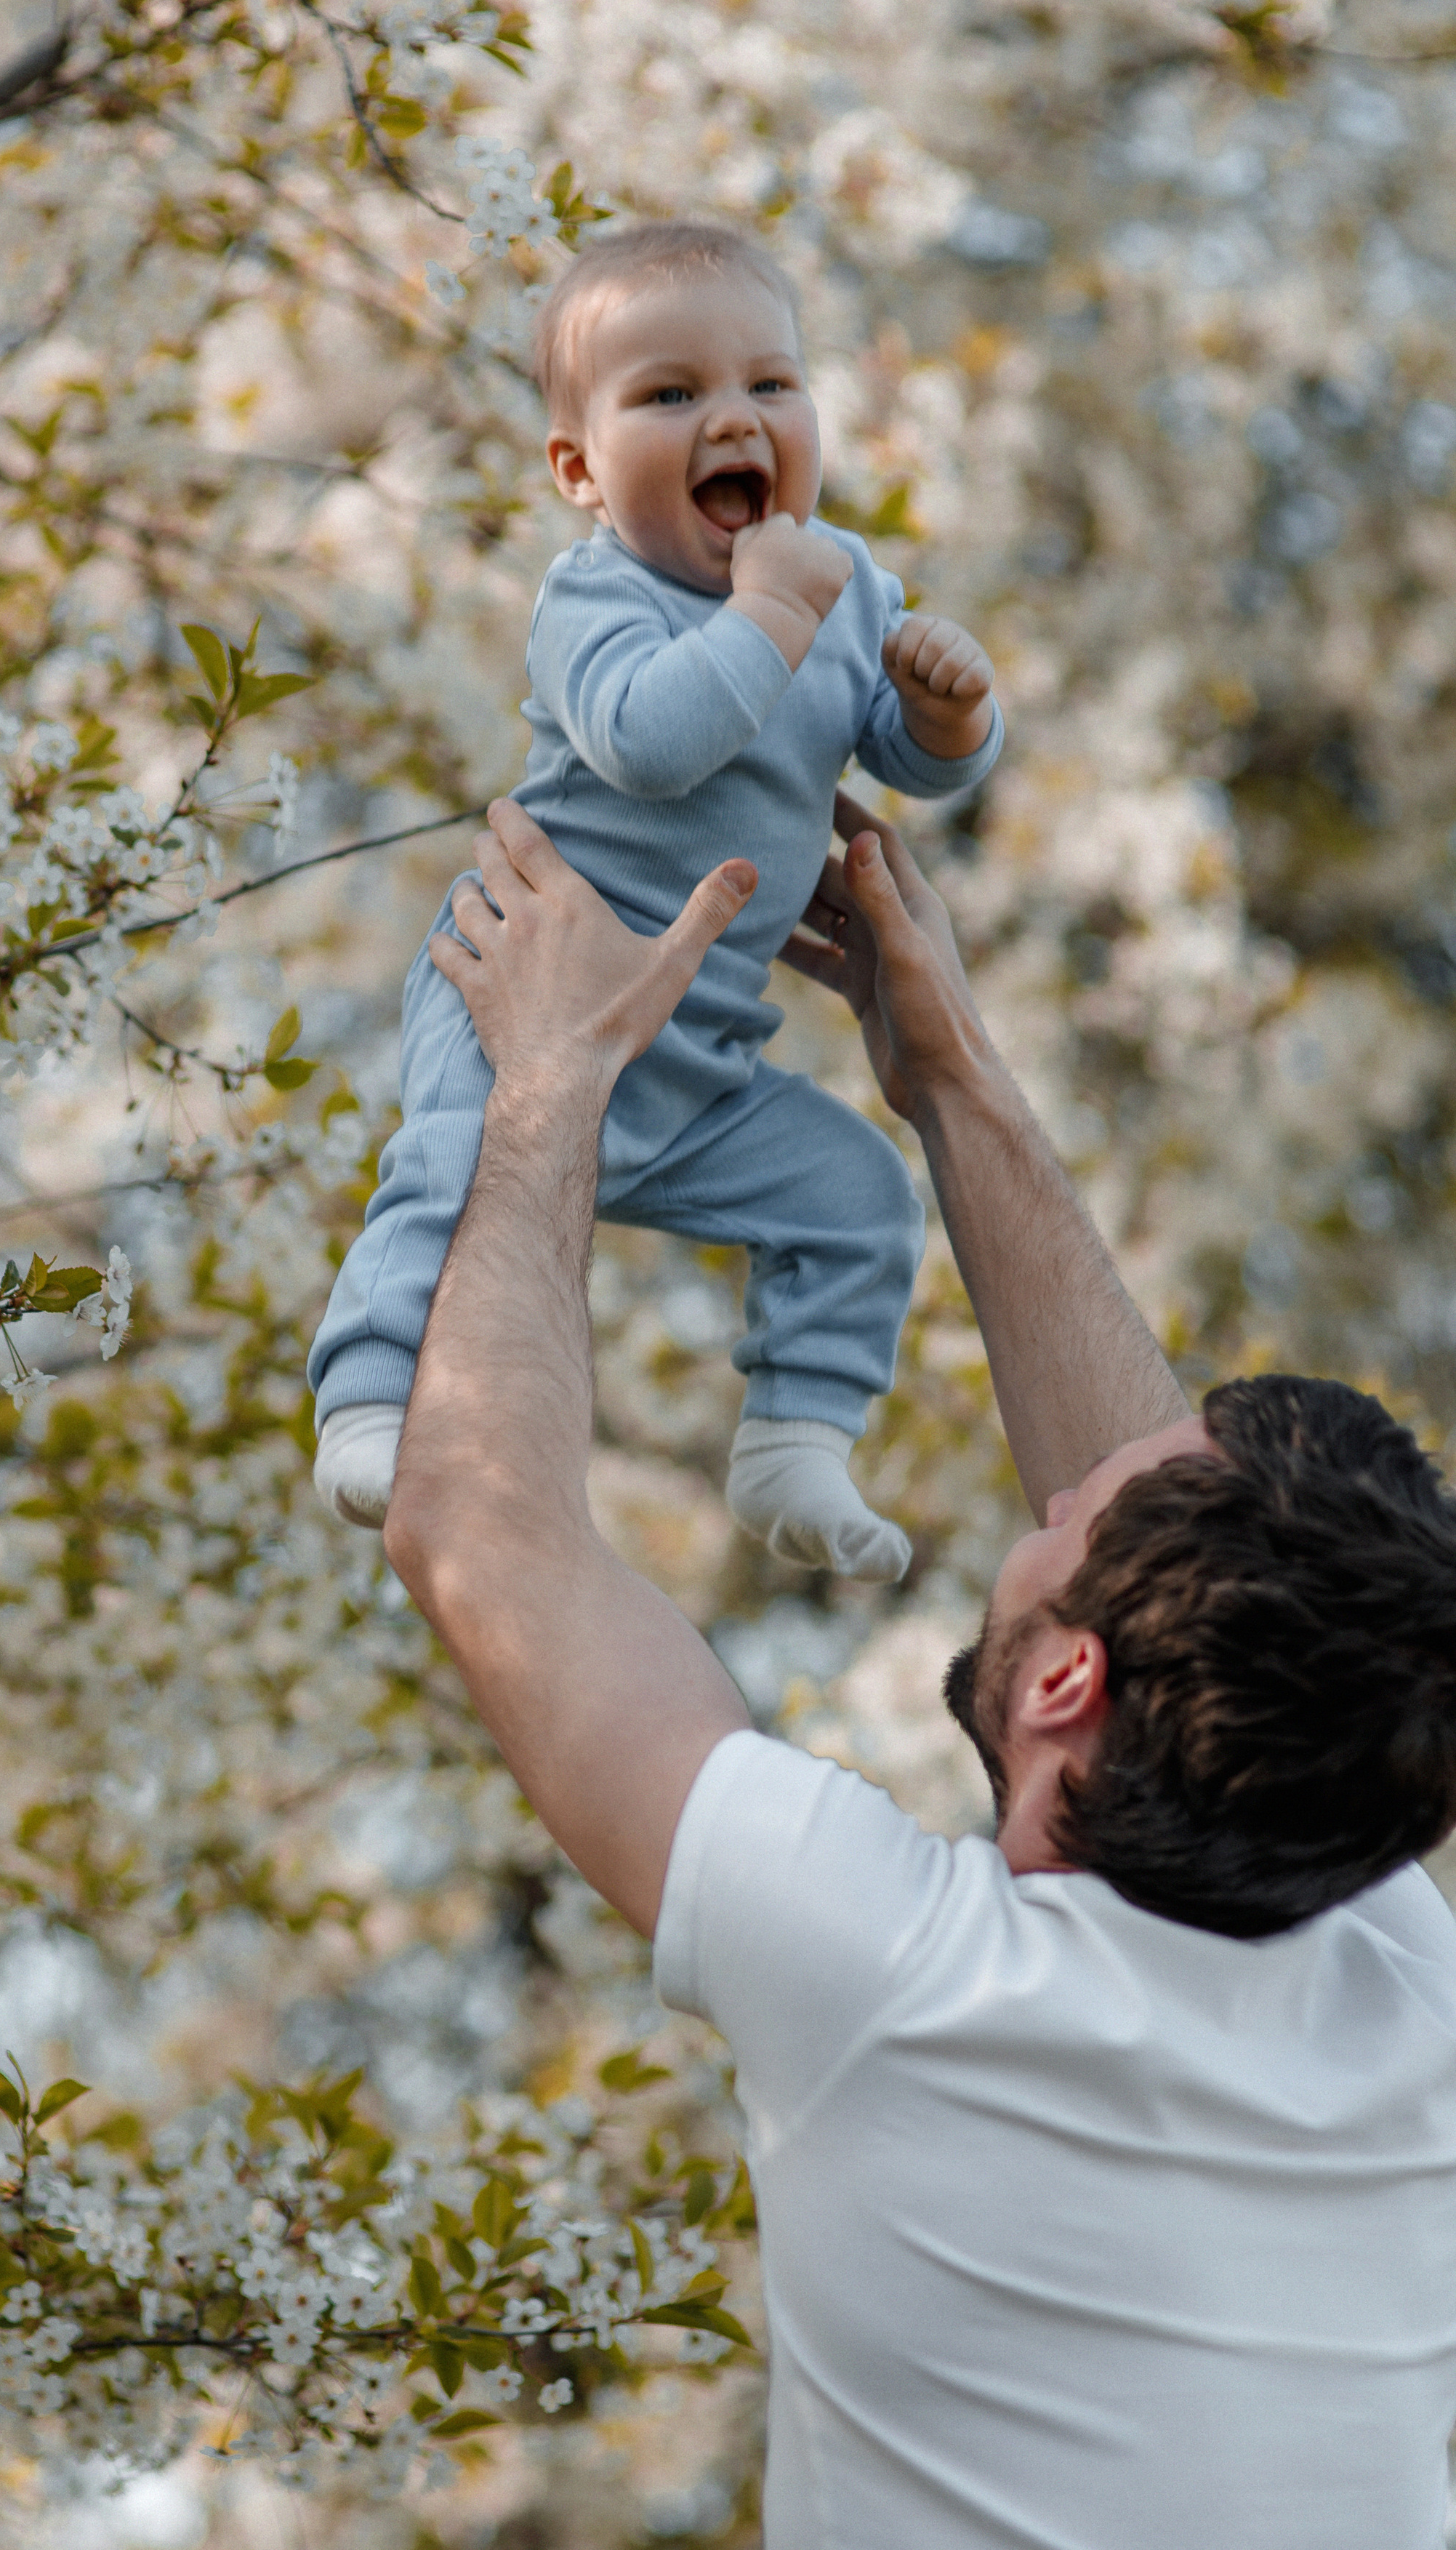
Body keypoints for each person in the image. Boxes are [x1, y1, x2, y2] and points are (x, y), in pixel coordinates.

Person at [383, 793, 1456, 2550]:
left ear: (1063, 1690)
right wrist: (944, 1071)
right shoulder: (1388, 1974)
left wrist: (546, 1083)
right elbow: (1169, 1544)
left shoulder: (901, 1984)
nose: (1045, 1494)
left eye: (1063, 1520)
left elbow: (473, 1532)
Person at [308, 220, 1003, 1576]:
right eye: (671, 394)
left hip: (693, 1065)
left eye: (769, 384)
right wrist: (773, 620)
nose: (732, 418)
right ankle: (369, 1396)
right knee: (444, 1174)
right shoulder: (597, 596)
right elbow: (649, 738)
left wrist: (947, 711)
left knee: (856, 1188)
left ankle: (798, 1441)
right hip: (516, 993)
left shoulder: (838, 582)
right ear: (579, 469)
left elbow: (905, 758)